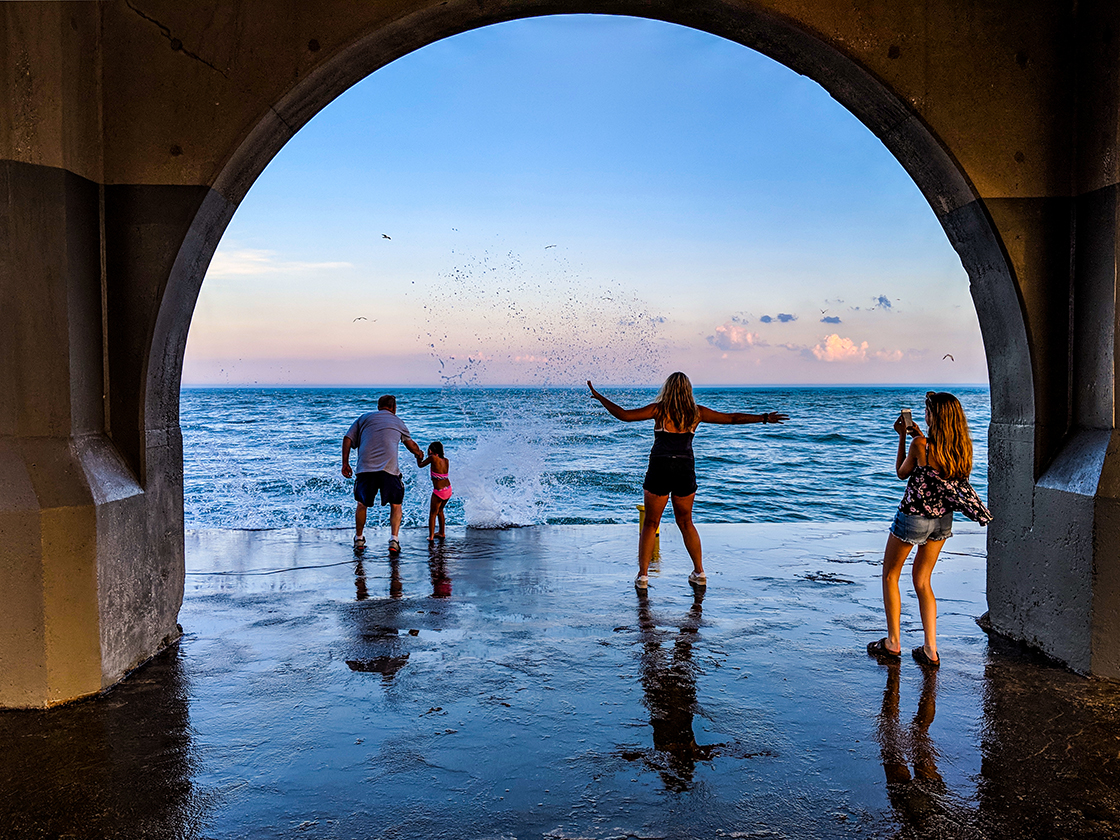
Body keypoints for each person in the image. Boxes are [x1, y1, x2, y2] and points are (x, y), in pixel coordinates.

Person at [587, 373, 788, 588]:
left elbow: (624, 415)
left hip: (660, 467)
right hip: (684, 468)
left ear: (668, 388)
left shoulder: (659, 409)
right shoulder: (696, 412)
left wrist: (600, 397)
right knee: (685, 522)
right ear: (688, 390)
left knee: (651, 523)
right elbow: (731, 418)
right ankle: (699, 572)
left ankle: (643, 576)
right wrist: (764, 417)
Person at [867, 391, 992, 668]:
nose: (925, 415)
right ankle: (930, 649)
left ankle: (893, 643)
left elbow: (902, 471)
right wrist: (918, 437)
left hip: (913, 517)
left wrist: (903, 436)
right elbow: (936, 470)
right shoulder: (960, 450)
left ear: (936, 417)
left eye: (928, 412)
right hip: (942, 520)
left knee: (890, 575)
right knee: (923, 581)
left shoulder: (919, 444)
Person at [342, 394, 423, 554]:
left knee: (362, 504)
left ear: (379, 406)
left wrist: (345, 463)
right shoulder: (398, 421)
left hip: (365, 470)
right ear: (394, 408)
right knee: (396, 504)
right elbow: (410, 444)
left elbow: (347, 439)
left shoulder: (364, 418)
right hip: (389, 471)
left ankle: (359, 539)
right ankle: (394, 540)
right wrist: (419, 453)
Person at [417, 441, 452, 543]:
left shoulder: (432, 458)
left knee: (433, 513)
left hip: (439, 491)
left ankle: (431, 536)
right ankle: (442, 532)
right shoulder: (446, 460)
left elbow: (420, 465)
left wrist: (418, 457)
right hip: (448, 489)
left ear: (431, 450)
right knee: (440, 511)